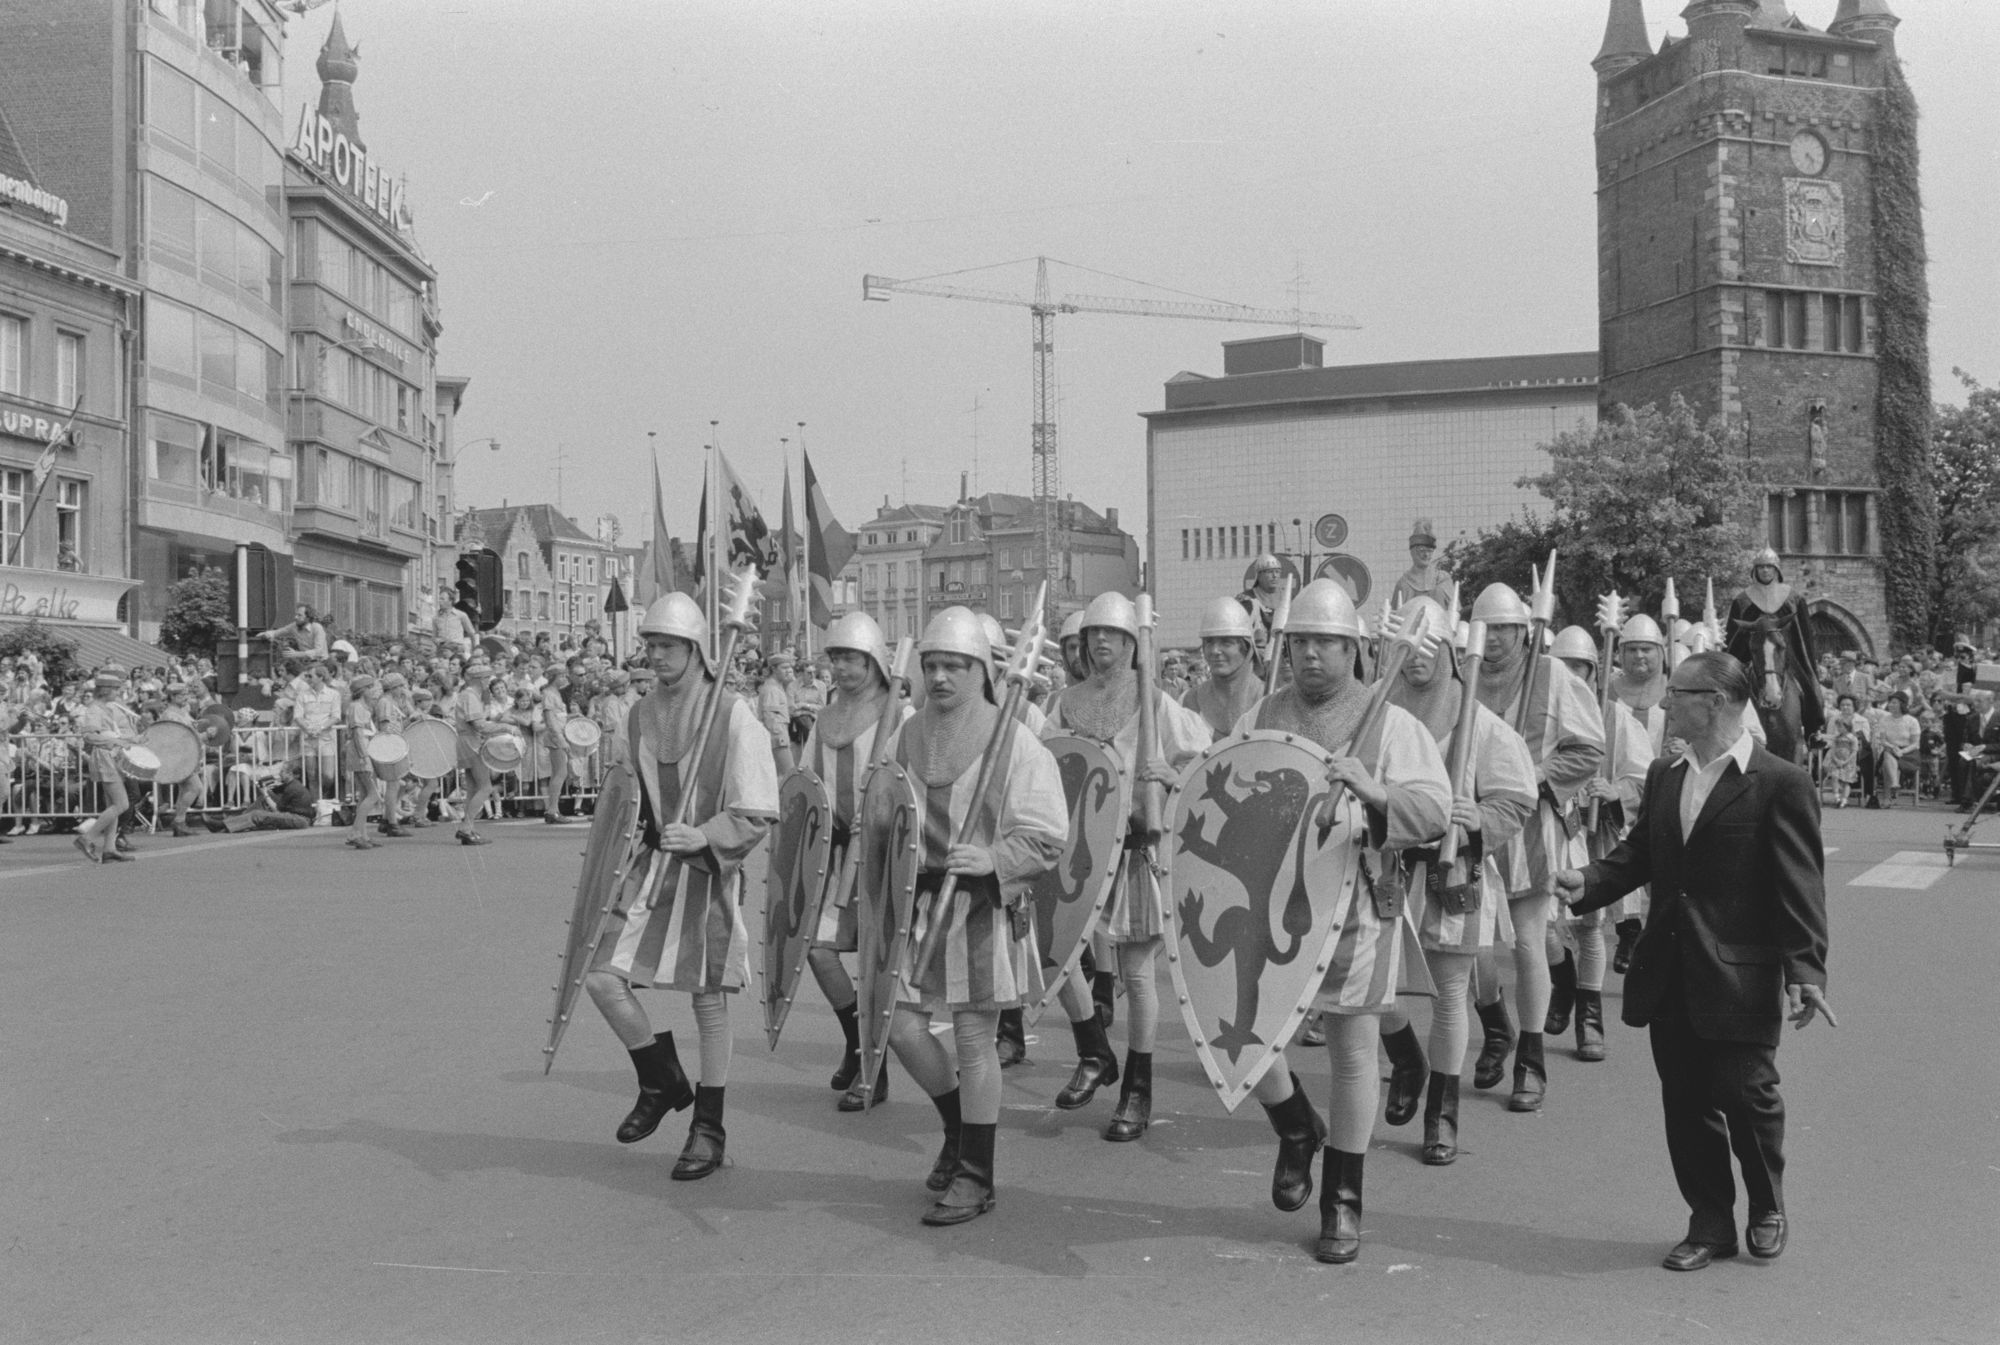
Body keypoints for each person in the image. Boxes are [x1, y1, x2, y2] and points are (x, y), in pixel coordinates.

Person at [1556, 651, 1833, 1272]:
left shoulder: (1780, 781)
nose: (1663, 703)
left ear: (1715, 701)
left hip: (1740, 972)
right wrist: (1587, 880)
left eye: (1676, 693)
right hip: (1670, 968)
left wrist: (1806, 972)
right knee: (1685, 1104)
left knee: (1746, 1095)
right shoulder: (1665, 775)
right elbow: (1638, 857)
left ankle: (1766, 1206)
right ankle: (1709, 1223)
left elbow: (1800, 886)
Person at [1234, 580, 1451, 1263]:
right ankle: (1296, 1124)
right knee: (1249, 1037)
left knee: (1353, 1050)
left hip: (1358, 899)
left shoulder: (1392, 723)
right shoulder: (1264, 711)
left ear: (1353, 646)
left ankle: (1343, 1201)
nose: (1310, 654)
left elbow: (1434, 810)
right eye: (1299, 641)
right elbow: (1226, 784)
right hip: (1270, 902)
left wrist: (1377, 790)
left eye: (1324, 641)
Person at [874, 607, 1067, 1225]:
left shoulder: (1015, 737)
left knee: (974, 1038)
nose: (939, 677)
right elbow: (894, 810)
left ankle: (976, 1174)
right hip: (919, 904)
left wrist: (991, 856)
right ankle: (959, 1130)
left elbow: (1045, 836)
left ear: (981, 670)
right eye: (931, 665)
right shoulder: (905, 732)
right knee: (900, 1027)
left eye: (953, 665)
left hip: (981, 905)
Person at [584, 592, 778, 1181]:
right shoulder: (638, 713)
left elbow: (756, 808)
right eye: (650, 645)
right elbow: (628, 793)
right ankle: (661, 1078)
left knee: (707, 999)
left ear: (696, 650)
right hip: (650, 864)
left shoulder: (733, 714)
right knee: (599, 976)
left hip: (707, 868)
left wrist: (705, 836)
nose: (656, 654)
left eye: (667, 645)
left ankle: (708, 1127)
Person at [1040, 590, 1211, 1142]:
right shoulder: (1066, 702)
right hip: (1075, 848)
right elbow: (1044, 762)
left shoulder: (1154, 699)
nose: (1102, 641)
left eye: (1113, 633)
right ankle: (1094, 1049)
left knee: (1137, 973)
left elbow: (1202, 756)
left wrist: (1170, 777)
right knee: (1058, 958)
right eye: (1093, 634)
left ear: (1134, 642)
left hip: (1135, 843)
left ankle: (1139, 1085)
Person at [1377, 595, 1537, 1164]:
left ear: (1449, 650)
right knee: (1372, 990)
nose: (1415, 660)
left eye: (1426, 649)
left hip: (1451, 874)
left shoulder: (1480, 724)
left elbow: (1517, 799)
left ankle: (1440, 1114)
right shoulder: (1379, 715)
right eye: (1404, 650)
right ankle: (1405, 1058)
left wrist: (1479, 822)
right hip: (1385, 870)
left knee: (1450, 996)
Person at [1465, 584, 1604, 1114]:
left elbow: (1588, 748)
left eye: (1505, 628)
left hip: (1531, 824)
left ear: (1524, 630)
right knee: (1473, 950)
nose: (1496, 638)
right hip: (1473, 826)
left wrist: (1535, 774)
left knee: (1527, 943)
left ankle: (1530, 1057)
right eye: (1488, 627)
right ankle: (1494, 1024)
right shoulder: (1463, 675)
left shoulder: (1555, 677)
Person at [800, 612, 910, 1110]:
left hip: (885, 855)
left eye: (851, 657)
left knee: (874, 964)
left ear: (874, 661)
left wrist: (884, 817)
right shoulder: (825, 717)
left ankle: (873, 1069)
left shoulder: (900, 717)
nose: (841, 667)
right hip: (838, 852)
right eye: (836, 657)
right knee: (819, 950)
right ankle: (856, 1041)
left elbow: (915, 786)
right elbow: (807, 781)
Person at [1547, 626, 1653, 1062]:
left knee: (1590, 927)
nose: (1572, 676)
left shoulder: (1614, 716)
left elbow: (1643, 777)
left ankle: (1589, 1018)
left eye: (1580, 668)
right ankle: (1563, 982)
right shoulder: (1538, 712)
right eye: (1563, 667)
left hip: (1592, 831)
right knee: (1538, 926)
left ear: (1593, 672)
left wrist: (1616, 792)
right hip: (1546, 828)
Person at [73, 668, 141, 863]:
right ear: (106, 690)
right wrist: (116, 742)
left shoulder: (107, 708)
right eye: (116, 689)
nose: (118, 693)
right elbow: (89, 735)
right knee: (122, 803)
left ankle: (109, 848)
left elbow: (115, 734)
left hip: (112, 756)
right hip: (105, 757)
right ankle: (87, 838)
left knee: (113, 804)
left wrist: (134, 740)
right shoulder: (95, 709)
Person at [1182, 597, 1263, 739]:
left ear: (1246, 648)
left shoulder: (1269, 700)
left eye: (1226, 643)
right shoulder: (1189, 702)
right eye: (1209, 642)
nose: (1215, 651)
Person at [449, 659, 503, 844]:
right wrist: (504, 727)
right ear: (480, 680)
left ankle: (468, 827)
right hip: (471, 742)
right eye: (487, 679)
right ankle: (466, 827)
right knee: (485, 786)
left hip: (466, 741)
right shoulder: (470, 696)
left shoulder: (467, 694)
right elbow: (479, 724)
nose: (488, 682)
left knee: (473, 787)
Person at [1389, 518, 1453, 608]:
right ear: (1412, 552)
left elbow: (1455, 613)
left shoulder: (1442, 580)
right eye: (1421, 550)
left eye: (1429, 551)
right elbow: (1394, 616)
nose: (1426, 555)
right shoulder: (1403, 584)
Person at [758, 652, 798, 776]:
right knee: (789, 777)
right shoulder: (772, 690)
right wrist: (782, 743)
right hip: (778, 742)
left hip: (778, 740)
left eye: (790, 667)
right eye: (784, 668)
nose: (789, 671)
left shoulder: (778, 687)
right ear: (773, 669)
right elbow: (773, 723)